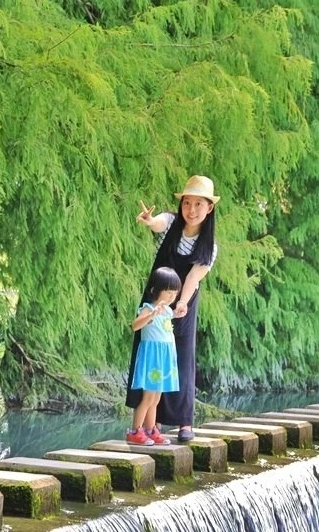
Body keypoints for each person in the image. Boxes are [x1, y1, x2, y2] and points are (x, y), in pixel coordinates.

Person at [126, 175, 219, 442]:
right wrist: (148, 220)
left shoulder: (209, 247)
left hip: (182, 303)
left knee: (181, 357)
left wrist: (181, 303)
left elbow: (192, 279)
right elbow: (157, 224)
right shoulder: (170, 223)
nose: (191, 210)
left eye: (198, 204)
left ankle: (184, 423)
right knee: (148, 350)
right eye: (187, 203)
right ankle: (141, 424)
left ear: (209, 207)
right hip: (155, 297)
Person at [126, 267, 182, 446]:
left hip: (164, 357)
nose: (172, 296)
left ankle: (151, 430)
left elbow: (166, 324)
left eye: (175, 292)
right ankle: (135, 431)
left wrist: (176, 313)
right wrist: (150, 315)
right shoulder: (148, 308)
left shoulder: (167, 311)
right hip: (152, 357)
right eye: (168, 291)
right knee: (148, 397)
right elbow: (135, 326)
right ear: (154, 290)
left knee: (156, 398)